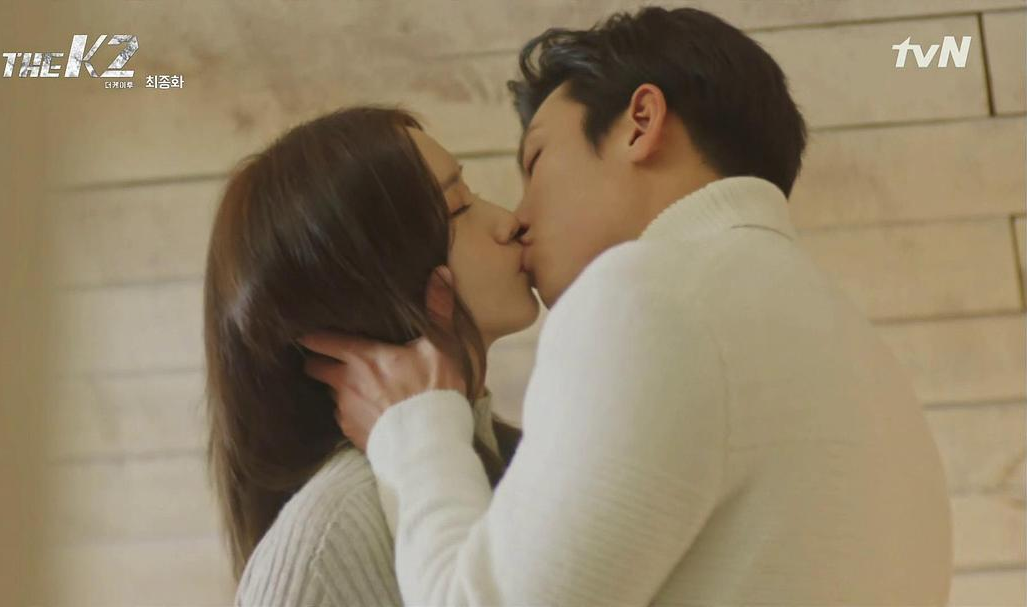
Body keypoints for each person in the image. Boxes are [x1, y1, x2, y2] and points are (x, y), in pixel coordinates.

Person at [301, 7, 954, 606]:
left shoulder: (647, 292)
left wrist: (414, 427)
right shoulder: (856, 349)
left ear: (641, 122)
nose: (519, 216)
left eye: (536, 160)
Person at [202, 106, 537, 606]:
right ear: (366, 281)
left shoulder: (523, 462)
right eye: (459, 206)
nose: (509, 222)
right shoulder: (326, 543)